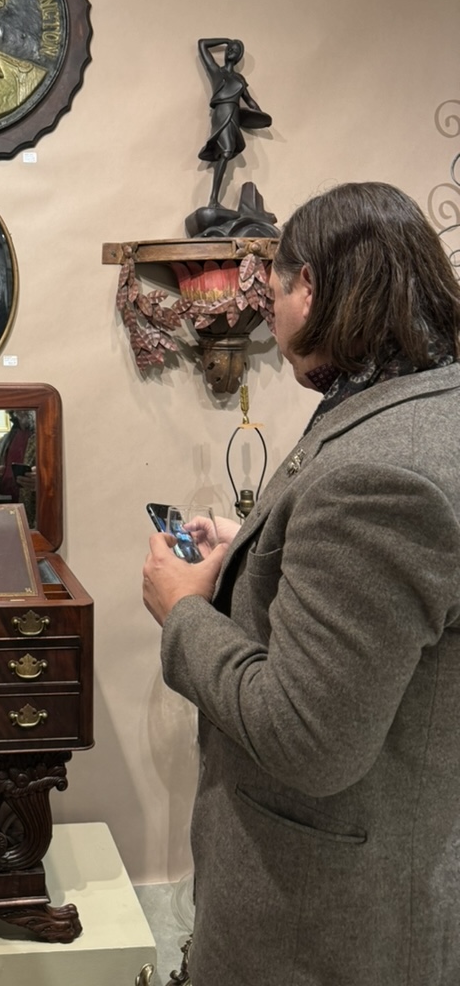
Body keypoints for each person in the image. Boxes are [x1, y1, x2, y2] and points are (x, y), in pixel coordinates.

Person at [142, 182, 460, 984]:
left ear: (311, 286)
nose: (272, 318)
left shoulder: (387, 469)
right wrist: (247, 555)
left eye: (275, 290)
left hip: (323, 920)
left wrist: (183, 613)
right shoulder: (412, 406)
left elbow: (309, 738)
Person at [196, 37, 271, 208]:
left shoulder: (239, 79)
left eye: (236, 50)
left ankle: (214, 199)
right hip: (222, 113)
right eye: (230, 48)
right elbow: (202, 44)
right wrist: (225, 41)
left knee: (227, 154)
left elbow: (249, 100)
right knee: (226, 152)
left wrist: (261, 117)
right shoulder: (216, 71)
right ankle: (213, 199)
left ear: (239, 56)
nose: (231, 51)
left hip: (234, 115)